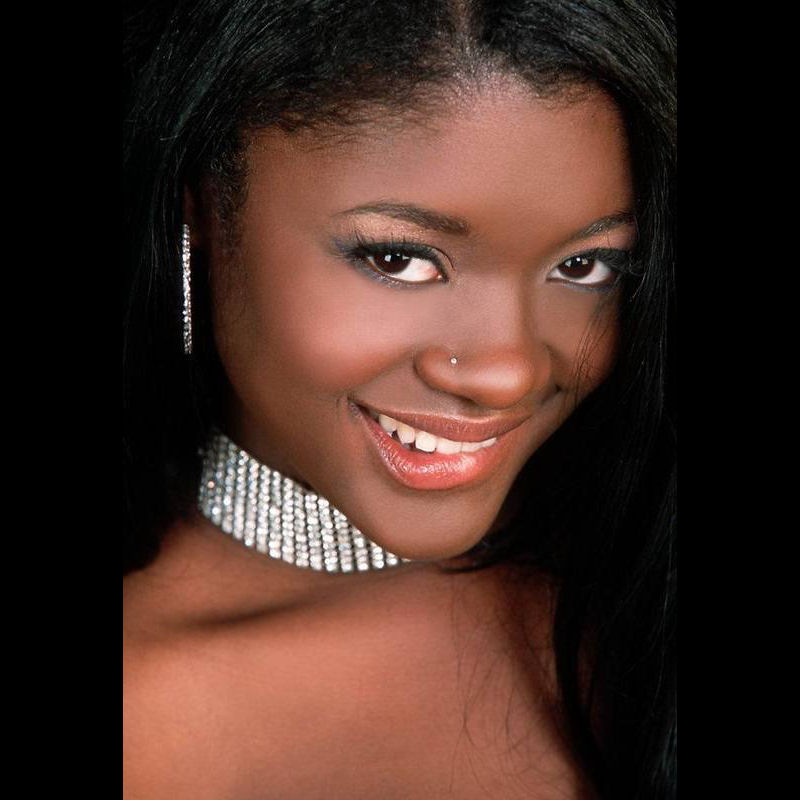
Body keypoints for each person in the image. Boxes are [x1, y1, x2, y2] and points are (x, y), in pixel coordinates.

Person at [123, 1, 676, 798]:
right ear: (202, 207)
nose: (507, 373)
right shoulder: (145, 711)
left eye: (585, 267)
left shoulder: (633, 597)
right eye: (399, 259)